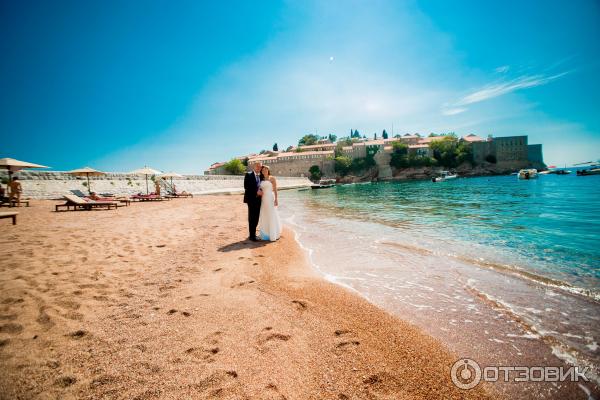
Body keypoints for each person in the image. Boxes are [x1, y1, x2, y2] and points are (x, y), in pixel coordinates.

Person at [257, 165, 282, 241]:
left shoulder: (272, 178)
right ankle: (265, 234)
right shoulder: (260, 179)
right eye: (263, 170)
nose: (264, 170)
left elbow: (275, 190)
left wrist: (276, 199)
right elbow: (259, 189)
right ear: (261, 171)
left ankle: (273, 233)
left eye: (265, 169)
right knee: (264, 214)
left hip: (270, 198)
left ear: (268, 170)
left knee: (271, 214)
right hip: (263, 199)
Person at [243, 162, 263, 241]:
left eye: (260, 166)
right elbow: (246, 186)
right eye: (257, 166)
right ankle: (252, 236)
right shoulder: (248, 174)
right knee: (251, 217)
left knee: (257, 217)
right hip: (251, 199)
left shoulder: (261, 176)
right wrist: (256, 191)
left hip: (259, 199)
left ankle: (253, 234)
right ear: (254, 167)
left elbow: (262, 186)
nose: (259, 168)